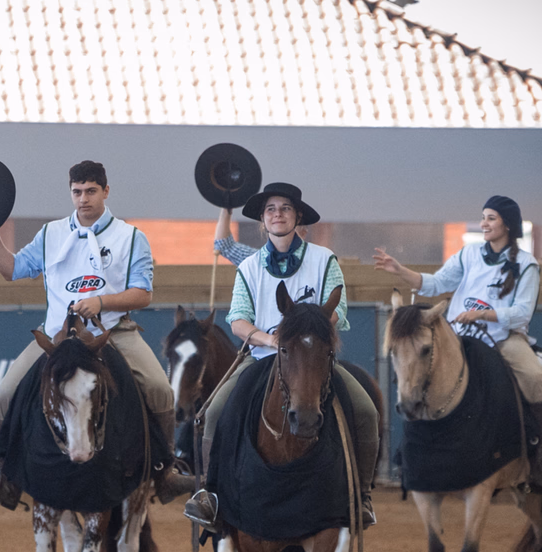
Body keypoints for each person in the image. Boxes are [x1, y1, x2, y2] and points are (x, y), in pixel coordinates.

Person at [0, 159, 195, 504]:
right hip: (56, 336)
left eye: (91, 191)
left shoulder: (131, 237)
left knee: (159, 389)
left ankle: (164, 471)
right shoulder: (51, 233)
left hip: (113, 331)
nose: (83, 199)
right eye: (77, 192)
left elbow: (143, 294)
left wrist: (101, 302)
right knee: (6, 393)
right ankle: (6, 471)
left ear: (106, 192)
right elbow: (14, 269)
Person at [186, 182, 379, 528]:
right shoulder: (248, 267)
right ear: (262, 219)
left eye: (286, 208)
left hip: (313, 358)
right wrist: (271, 341)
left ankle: (361, 497)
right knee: (213, 413)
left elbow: (339, 309)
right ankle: (210, 496)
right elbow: (238, 320)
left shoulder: (324, 259)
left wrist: (307, 336)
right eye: (271, 209)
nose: (278, 214)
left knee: (365, 410)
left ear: (298, 216)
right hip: (261, 355)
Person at [373, 195, 541, 401]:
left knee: (535, 377)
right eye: (483, 218)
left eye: (491, 218)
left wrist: (480, 314)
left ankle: (532, 432)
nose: (483, 224)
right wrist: (400, 270)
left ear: (507, 224)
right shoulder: (468, 254)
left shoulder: (527, 264)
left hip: (504, 339)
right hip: (458, 336)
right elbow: (436, 284)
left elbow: (522, 315)